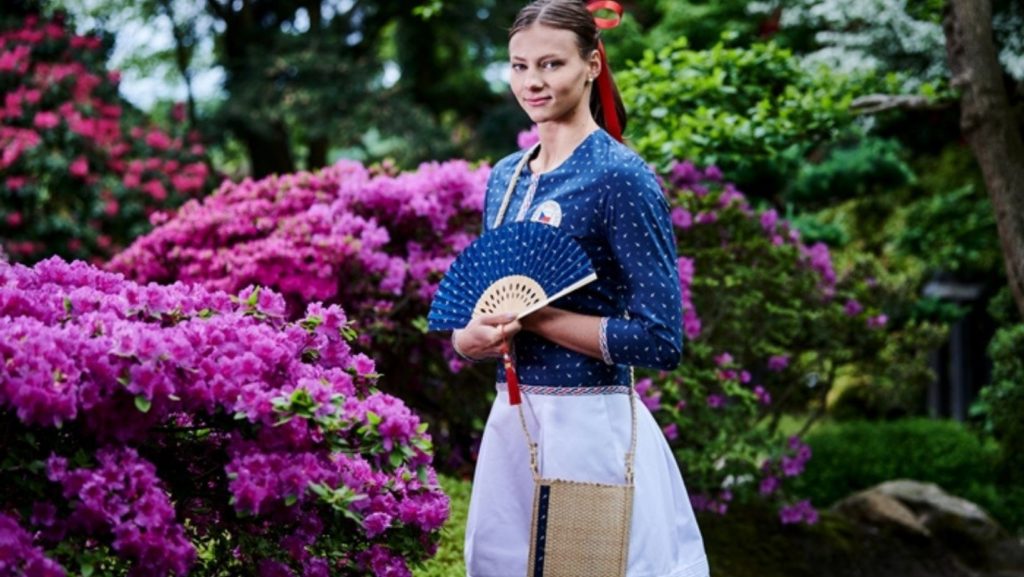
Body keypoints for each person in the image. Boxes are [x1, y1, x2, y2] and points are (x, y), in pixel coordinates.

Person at [451, 1, 709, 575]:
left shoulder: (620, 177)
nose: (532, 81)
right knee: (498, 566)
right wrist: (470, 339)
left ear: (592, 64)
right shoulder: (506, 178)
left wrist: (540, 317)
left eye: (551, 64)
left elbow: (660, 338)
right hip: (512, 420)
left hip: (592, 425)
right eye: (519, 66)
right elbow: (488, 303)